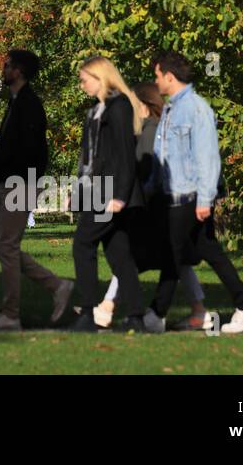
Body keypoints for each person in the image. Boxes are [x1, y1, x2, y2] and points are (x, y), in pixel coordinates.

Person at [149, 50, 243, 333]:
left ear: (169, 76)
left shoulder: (196, 108)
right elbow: (163, 157)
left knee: (171, 256)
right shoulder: (172, 109)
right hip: (175, 195)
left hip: (189, 197)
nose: (156, 81)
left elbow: (207, 157)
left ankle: (154, 315)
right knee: (210, 252)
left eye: (157, 75)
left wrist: (204, 199)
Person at [96, 82, 208, 331]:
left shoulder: (150, 132)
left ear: (144, 107)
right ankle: (198, 310)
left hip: (155, 209)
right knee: (177, 261)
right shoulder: (155, 130)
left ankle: (108, 306)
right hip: (164, 208)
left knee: (132, 256)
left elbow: (144, 171)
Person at [0, 50, 74, 331]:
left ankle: (11, 313)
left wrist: (17, 179)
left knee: (5, 246)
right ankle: (56, 286)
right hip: (10, 182)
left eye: (7, 65)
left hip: (20, 183)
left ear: (18, 71)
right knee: (2, 246)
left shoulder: (29, 105)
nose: (3, 69)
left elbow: (34, 151)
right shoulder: (17, 102)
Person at [68, 55, 150, 334]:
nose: (82, 86)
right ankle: (137, 316)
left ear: (100, 77)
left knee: (82, 244)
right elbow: (90, 158)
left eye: (85, 80)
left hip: (111, 193)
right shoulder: (97, 109)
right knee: (119, 255)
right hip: (97, 190)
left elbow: (125, 156)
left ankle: (89, 312)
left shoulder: (119, 107)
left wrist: (120, 196)